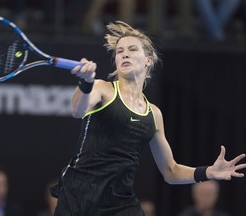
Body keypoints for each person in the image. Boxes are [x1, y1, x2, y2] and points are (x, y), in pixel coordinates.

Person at [51, 20, 246, 216]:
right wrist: (85, 82)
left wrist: (208, 172)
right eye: (119, 51)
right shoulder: (102, 88)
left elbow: (170, 171)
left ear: (149, 60)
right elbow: (78, 110)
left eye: (132, 49)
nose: (124, 54)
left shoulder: (154, 113)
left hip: (120, 202)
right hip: (79, 194)